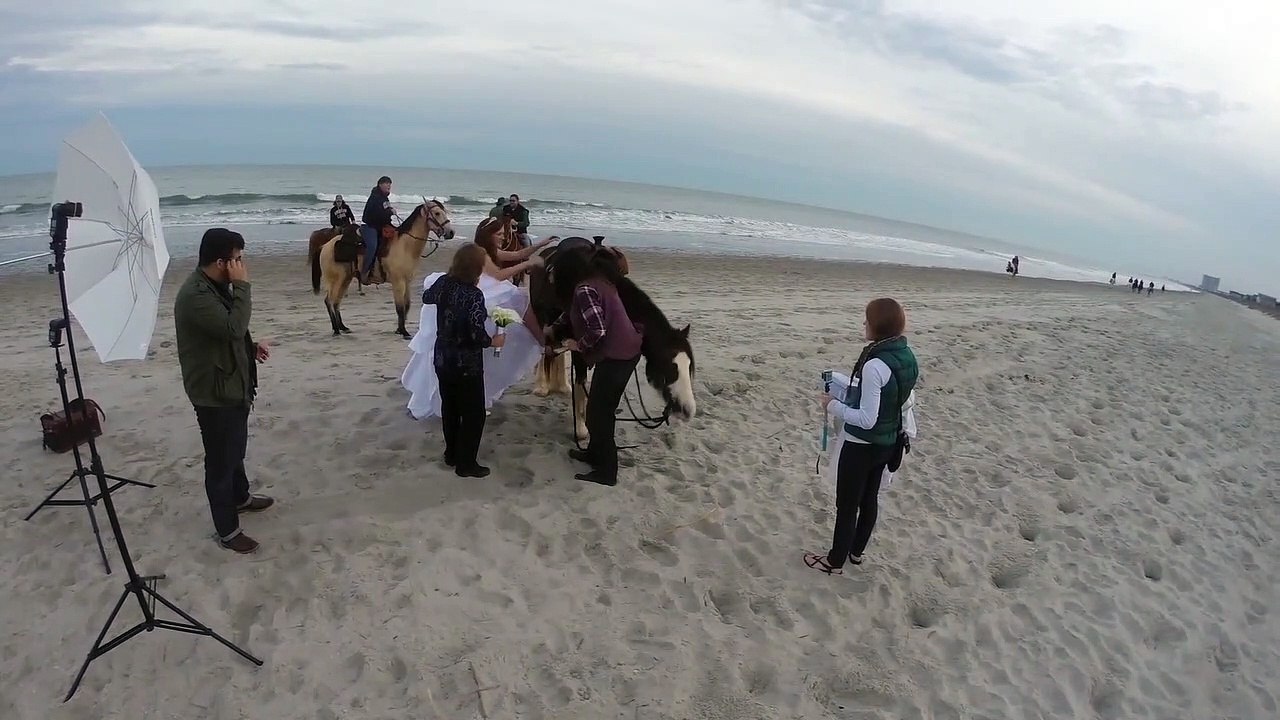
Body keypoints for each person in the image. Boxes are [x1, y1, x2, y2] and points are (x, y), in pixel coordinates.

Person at [173, 229, 275, 554]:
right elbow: (233, 326)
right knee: (220, 461)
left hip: (231, 382)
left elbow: (230, 330)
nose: (241, 266)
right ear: (221, 261)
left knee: (234, 450)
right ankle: (228, 531)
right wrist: (243, 287)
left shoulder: (214, 286)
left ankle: (241, 497)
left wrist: (250, 346)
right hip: (213, 393)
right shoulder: (195, 295)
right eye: (238, 259)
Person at [805, 298, 918, 575]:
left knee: (847, 504)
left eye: (867, 320)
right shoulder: (908, 356)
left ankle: (835, 560)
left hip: (861, 446)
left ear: (878, 325)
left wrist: (832, 405)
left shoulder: (874, 365)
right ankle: (856, 552)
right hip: (888, 441)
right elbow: (902, 399)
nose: (863, 324)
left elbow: (867, 419)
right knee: (869, 499)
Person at [399, 228, 551, 421]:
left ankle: (541, 341)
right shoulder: (475, 289)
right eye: (500, 232)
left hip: (445, 350)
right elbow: (497, 277)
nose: (504, 235)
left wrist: (540, 244)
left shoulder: (449, 280)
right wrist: (493, 341)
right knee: (517, 299)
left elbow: (429, 297)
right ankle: (542, 341)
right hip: (465, 354)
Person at [546, 248, 644, 487]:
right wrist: (551, 329)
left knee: (601, 415)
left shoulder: (585, 289)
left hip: (618, 356)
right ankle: (593, 453)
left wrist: (576, 345)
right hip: (624, 352)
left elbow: (597, 330)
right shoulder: (595, 283)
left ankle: (607, 472)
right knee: (595, 411)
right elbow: (572, 314)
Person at [422, 244, 505, 478]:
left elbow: (427, 297)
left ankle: (451, 454)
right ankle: (466, 463)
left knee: (450, 407)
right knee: (473, 414)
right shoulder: (473, 295)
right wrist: (494, 342)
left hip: (442, 357)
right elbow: (475, 334)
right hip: (466, 363)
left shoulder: (443, 284)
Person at [360, 176, 395, 283]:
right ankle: (364, 272)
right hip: (370, 226)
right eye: (386, 183)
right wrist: (389, 212)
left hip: (381, 226)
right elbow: (376, 214)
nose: (389, 185)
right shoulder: (375, 197)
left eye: (390, 183)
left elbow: (385, 215)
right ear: (380, 184)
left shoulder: (385, 198)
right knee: (372, 246)